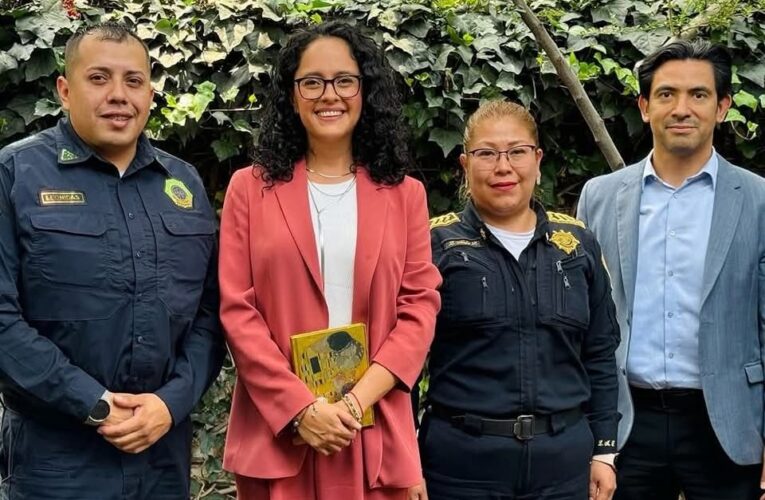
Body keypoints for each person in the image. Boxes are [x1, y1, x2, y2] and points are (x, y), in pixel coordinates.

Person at [218, 21, 441, 500]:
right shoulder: (249, 189)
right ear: (292, 96)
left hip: (372, 425)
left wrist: (353, 402)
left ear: (366, 91)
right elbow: (237, 310)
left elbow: (419, 309)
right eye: (311, 82)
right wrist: (301, 409)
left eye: (345, 80)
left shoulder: (405, 195)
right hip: (281, 433)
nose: (329, 95)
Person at [0, 23, 224, 499]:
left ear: (149, 92)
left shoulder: (182, 185)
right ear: (65, 89)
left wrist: (171, 403)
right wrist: (95, 404)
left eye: (134, 81)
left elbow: (211, 313)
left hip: (163, 454)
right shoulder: (14, 175)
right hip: (55, 461)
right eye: (99, 78)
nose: (119, 95)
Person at [577, 39, 765, 500]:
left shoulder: (759, 201)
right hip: (624, 425)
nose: (682, 108)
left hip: (728, 422)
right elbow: (581, 322)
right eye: (666, 94)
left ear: (722, 107)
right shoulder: (599, 197)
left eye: (698, 95)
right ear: (645, 107)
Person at [420, 100, 620, 500]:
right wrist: (404, 458)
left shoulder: (576, 245)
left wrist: (605, 450)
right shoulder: (434, 245)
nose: (503, 166)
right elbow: (405, 362)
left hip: (563, 465)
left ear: (538, 158)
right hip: (461, 466)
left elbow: (599, 353)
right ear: (464, 164)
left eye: (517, 151)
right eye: (487, 154)